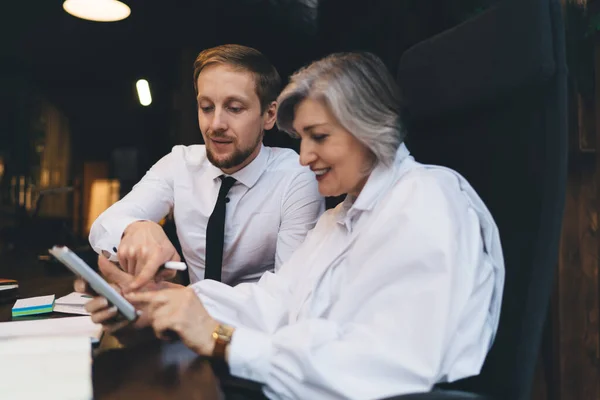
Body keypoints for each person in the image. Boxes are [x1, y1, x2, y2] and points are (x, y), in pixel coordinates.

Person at [86, 51, 505, 399]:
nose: (304, 156)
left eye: (318, 137)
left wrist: (222, 338)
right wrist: (165, 303)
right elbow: (277, 300)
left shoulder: (425, 200)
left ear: (369, 128)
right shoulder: (340, 218)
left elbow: (387, 360)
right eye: (302, 139)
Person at [88, 44, 324, 292]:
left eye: (234, 108)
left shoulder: (295, 177)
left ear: (269, 115)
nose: (216, 124)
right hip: (182, 317)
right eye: (206, 107)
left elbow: (289, 291)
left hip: (253, 327)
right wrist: (135, 228)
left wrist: (189, 299)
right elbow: (102, 227)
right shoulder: (179, 163)